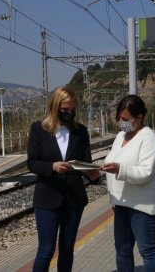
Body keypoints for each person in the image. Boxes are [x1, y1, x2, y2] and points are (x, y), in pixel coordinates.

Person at [27, 86, 99, 272]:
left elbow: (86, 162)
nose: (69, 113)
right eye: (65, 109)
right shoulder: (38, 129)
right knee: (46, 249)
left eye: (73, 109)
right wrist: (52, 166)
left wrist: (92, 174)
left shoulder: (80, 131)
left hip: (74, 199)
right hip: (47, 198)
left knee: (67, 248)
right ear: (55, 106)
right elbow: (32, 163)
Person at [101, 95, 155, 272]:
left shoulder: (148, 138)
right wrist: (112, 199)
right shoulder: (120, 136)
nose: (121, 123)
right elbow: (113, 162)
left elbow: (145, 172)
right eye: (119, 118)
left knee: (148, 251)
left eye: (125, 119)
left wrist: (119, 169)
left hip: (143, 206)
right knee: (122, 250)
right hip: (122, 204)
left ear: (139, 118)